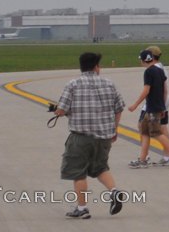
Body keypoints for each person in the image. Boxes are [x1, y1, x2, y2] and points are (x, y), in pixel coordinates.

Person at [53, 52, 126, 218]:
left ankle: (82, 208)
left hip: (81, 137)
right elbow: (119, 108)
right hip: (104, 137)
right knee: (100, 167)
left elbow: (62, 110)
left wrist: (57, 110)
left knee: (78, 172)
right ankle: (114, 192)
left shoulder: (73, 84)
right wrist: (115, 129)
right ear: (95, 67)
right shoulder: (109, 83)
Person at [127, 48, 169, 167]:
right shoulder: (160, 70)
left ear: (144, 60)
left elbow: (146, 90)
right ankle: (142, 160)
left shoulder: (148, 72)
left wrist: (135, 104)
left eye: (140, 60)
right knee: (144, 131)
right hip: (157, 106)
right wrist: (163, 107)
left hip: (152, 107)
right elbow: (165, 90)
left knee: (156, 133)